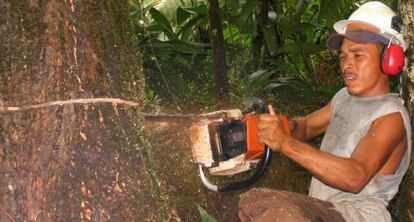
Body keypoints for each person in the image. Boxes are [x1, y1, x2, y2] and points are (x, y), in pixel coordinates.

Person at [238, 1, 411, 222]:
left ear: (389, 59)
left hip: (356, 215)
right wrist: (283, 126)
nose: (347, 64)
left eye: (358, 55)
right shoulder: (344, 97)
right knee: (252, 201)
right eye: (343, 56)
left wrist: (286, 143)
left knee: (280, 213)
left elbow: (355, 177)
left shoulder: (391, 117)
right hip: (324, 209)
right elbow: (307, 126)